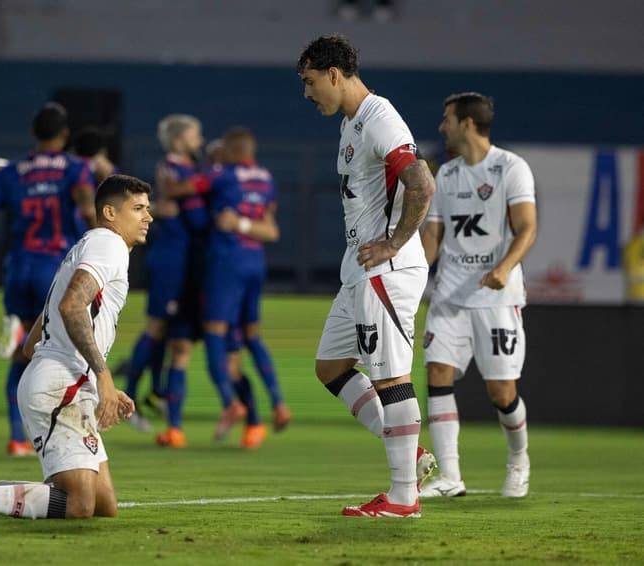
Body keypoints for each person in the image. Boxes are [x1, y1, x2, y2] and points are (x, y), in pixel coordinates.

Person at [0, 174, 152, 520]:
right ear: (110, 213)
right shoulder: (109, 245)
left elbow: (34, 341)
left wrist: (91, 381)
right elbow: (71, 306)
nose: (148, 216)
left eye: (147, 208)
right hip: (59, 387)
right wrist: (102, 376)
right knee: (78, 505)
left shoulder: (88, 246)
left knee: (103, 505)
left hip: (64, 382)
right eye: (138, 208)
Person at [297, 34, 437, 518]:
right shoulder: (351, 124)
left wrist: (394, 243)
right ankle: (411, 456)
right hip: (359, 270)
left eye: (310, 82)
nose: (308, 93)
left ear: (334, 74)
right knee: (331, 368)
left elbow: (422, 182)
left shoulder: (380, 118)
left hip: (385, 270)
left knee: (391, 378)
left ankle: (403, 497)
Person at [420, 92, 537, 498]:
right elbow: (433, 235)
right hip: (450, 294)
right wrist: (412, 281)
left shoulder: (511, 168)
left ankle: (519, 459)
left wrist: (504, 268)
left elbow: (527, 228)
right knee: (437, 372)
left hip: (496, 298)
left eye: (447, 119)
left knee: (501, 393)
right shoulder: (446, 175)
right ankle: (450, 477)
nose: (442, 126)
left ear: (467, 124)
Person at [0, 102, 96, 456]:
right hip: (55, 268)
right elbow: (86, 205)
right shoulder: (76, 168)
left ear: (34, 133)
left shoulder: (11, 173)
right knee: (68, 350)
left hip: (18, 267)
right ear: (64, 134)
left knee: (21, 355)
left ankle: (16, 437)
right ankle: (67, 434)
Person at [200, 127, 283, 444]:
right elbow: (271, 231)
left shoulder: (222, 177)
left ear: (231, 150)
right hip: (254, 264)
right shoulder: (266, 179)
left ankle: (229, 403)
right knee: (248, 339)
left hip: (226, 264)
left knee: (214, 334)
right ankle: (275, 404)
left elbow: (186, 186)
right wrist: (246, 224)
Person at [123, 114, 205, 433]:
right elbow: (196, 219)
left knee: (173, 336)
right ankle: (128, 398)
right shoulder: (174, 169)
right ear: (179, 140)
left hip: (184, 262)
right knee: (156, 328)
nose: (199, 141)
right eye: (195, 135)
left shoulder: (187, 171)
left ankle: (158, 396)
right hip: (171, 260)